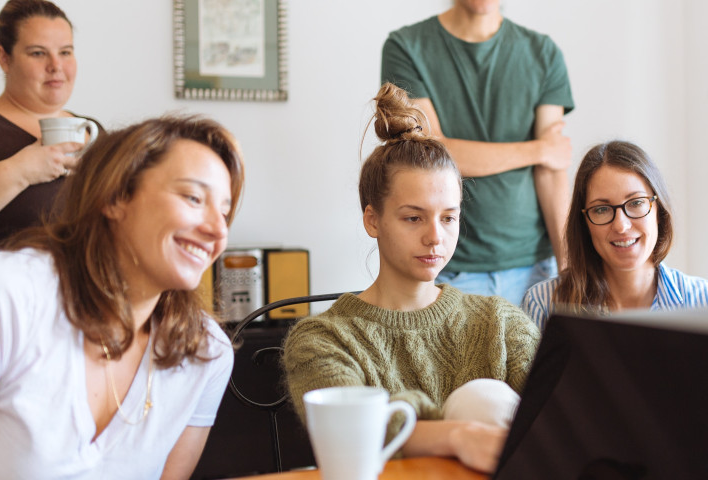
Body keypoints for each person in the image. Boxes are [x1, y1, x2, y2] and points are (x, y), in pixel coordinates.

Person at [282, 83, 540, 474]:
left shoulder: (501, 323)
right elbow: (350, 436)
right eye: (413, 217)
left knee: (483, 398)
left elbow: (562, 419)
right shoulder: (322, 339)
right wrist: (458, 435)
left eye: (448, 217)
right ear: (373, 219)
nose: (435, 236)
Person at [0, 115, 244, 479]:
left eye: (225, 212)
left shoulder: (206, 352)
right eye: (192, 197)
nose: (218, 230)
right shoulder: (8, 294)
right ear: (115, 198)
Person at [381, 0, 574, 306]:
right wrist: (538, 149)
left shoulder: (543, 52)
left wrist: (569, 270)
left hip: (536, 269)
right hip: (449, 267)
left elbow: (551, 169)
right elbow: (433, 156)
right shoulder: (406, 47)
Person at [522, 140, 708, 331]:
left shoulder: (703, 301)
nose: (621, 226)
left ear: (658, 212)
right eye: (601, 209)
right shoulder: (543, 304)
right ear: (584, 223)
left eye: (636, 203)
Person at [0, 0, 102, 244]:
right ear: (4, 58)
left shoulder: (93, 131)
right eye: (38, 53)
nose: (56, 66)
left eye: (65, 52)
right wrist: (21, 171)